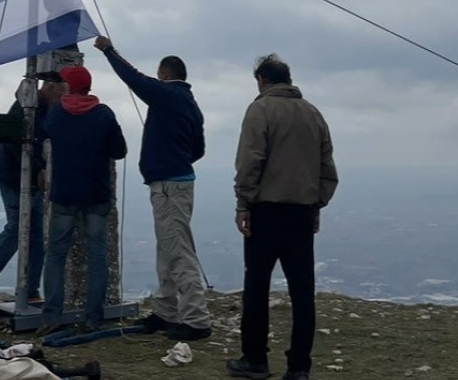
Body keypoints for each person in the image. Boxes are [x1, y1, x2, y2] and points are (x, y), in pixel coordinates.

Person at [92, 35, 211, 341]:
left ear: (165, 75)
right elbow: (198, 150)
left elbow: (133, 78)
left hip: (169, 185)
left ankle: (196, 319)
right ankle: (166, 311)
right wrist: (176, 158)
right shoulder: (191, 104)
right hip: (177, 181)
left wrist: (109, 51)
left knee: (178, 250)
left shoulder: (167, 95)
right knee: (168, 247)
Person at [228, 54, 338, 380]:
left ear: (262, 80)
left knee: (257, 287)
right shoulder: (313, 113)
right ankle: (299, 368)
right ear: (288, 79)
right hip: (302, 214)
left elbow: (250, 161)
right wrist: (316, 205)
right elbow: (326, 168)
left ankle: (255, 360)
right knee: (302, 293)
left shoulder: (260, 109)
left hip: (266, 212)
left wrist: (243, 203)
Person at [37, 65, 126, 334]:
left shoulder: (57, 115)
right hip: (96, 194)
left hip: (64, 194)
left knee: (55, 254)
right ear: (89, 87)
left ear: (67, 86)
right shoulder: (104, 115)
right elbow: (119, 151)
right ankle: (93, 319)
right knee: (97, 255)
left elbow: (43, 131)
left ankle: (52, 316)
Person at [0, 80, 65, 307]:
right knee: (18, 227)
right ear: (50, 88)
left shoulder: (46, 107)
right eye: (62, 91)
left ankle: (30, 290)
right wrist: (39, 168)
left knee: (36, 234)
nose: (64, 97)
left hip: (29, 176)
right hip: (11, 173)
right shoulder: (28, 105)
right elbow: (17, 143)